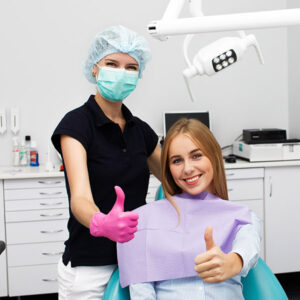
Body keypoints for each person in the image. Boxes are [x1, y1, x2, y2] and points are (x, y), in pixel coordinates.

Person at [51, 25, 161, 300]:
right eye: (112, 63)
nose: (121, 73)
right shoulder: (76, 124)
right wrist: (101, 222)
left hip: (136, 259)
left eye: (131, 67)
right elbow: (80, 198)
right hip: (91, 266)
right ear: (95, 69)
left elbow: (174, 179)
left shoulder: (141, 131)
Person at [117, 118, 261, 300]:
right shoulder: (142, 221)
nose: (187, 168)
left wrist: (231, 262)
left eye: (196, 155)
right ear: (168, 169)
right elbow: (141, 293)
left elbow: (248, 246)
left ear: (214, 156)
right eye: (177, 161)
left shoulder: (242, 216)